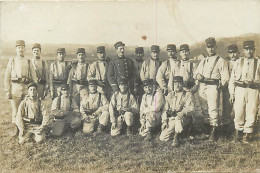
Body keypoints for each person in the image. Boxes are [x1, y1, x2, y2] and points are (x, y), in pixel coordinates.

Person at [194, 37, 229, 141]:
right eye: (208, 47)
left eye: (212, 47)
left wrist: (220, 86)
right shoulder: (203, 60)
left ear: (216, 47)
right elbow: (196, 73)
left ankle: (214, 131)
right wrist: (198, 76)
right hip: (203, 86)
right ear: (206, 48)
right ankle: (207, 129)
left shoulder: (221, 60)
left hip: (213, 86)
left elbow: (225, 77)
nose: (210, 49)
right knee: (204, 109)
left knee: (213, 109)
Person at [229, 40, 260, 143]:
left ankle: (248, 133)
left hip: (253, 89)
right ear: (243, 50)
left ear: (254, 50)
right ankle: (238, 132)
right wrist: (232, 93)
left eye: (251, 49)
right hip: (240, 89)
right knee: (238, 111)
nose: (249, 51)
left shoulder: (258, 62)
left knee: (251, 111)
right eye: (246, 49)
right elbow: (232, 79)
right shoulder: (238, 62)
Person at [4, 40, 36, 136]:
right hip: (15, 88)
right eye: (19, 48)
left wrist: (34, 89)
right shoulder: (12, 61)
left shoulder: (28, 61)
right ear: (16, 49)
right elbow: (7, 77)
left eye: (22, 47)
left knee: (26, 109)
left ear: (25, 49)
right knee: (15, 110)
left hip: (26, 88)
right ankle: (16, 128)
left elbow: (34, 77)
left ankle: (25, 128)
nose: (21, 49)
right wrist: (7, 90)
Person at [159, 76, 194, 147]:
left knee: (178, 118)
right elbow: (165, 110)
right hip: (172, 118)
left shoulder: (188, 94)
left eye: (179, 83)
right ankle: (181, 132)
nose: (177, 86)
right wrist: (164, 121)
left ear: (182, 84)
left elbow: (191, 108)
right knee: (163, 138)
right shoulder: (170, 95)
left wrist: (183, 112)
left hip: (184, 118)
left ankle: (176, 137)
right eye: (175, 84)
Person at [221, 44, 240, 136]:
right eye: (230, 53)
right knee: (227, 108)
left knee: (239, 108)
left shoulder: (242, 62)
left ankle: (239, 128)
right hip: (227, 89)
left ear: (238, 53)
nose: (233, 55)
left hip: (239, 88)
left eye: (235, 52)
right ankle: (225, 129)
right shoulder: (226, 63)